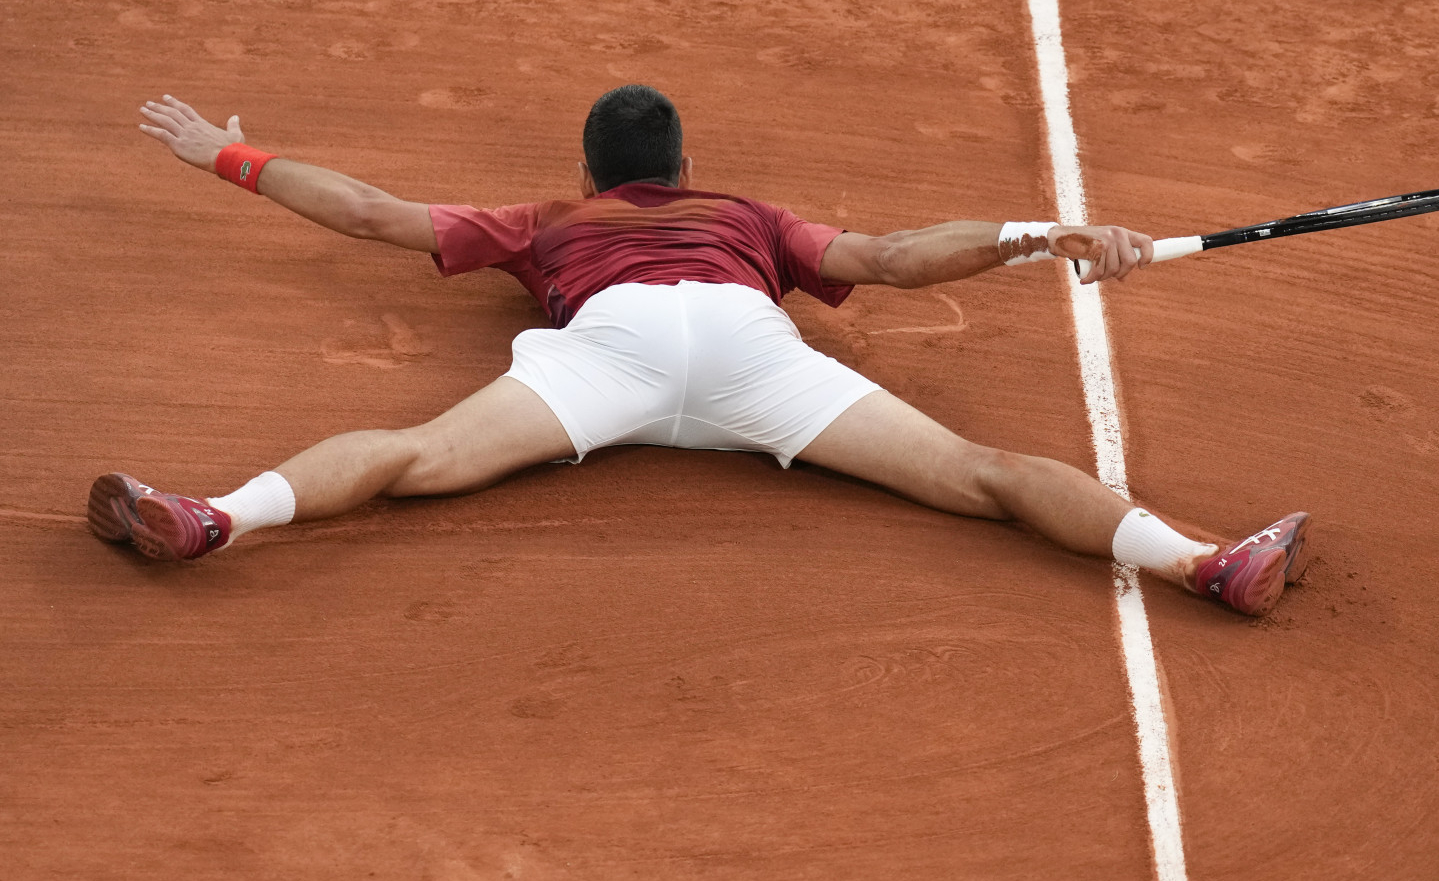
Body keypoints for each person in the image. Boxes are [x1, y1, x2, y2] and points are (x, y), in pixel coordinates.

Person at [91, 85, 1310, 617]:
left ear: (589, 170)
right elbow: (890, 258)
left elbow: (369, 212)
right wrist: (1037, 233)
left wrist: (229, 155)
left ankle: (213, 517)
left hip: (604, 354)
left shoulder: (545, 219)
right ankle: (1202, 563)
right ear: (684, 164)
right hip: (747, 351)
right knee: (983, 474)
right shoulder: (751, 217)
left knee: (411, 455)